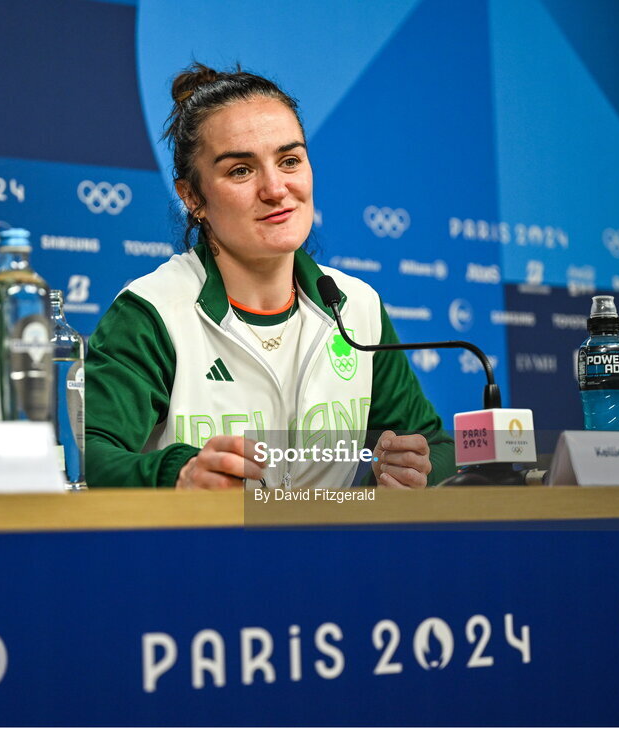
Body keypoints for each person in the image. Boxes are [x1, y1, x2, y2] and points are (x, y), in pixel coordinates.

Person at [85, 63, 454, 489]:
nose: (276, 188)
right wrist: (178, 475)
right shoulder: (152, 312)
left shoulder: (355, 305)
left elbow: (435, 448)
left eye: (290, 160)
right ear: (192, 197)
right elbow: (95, 456)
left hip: (331, 557)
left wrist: (405, 475)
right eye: (241, 170)